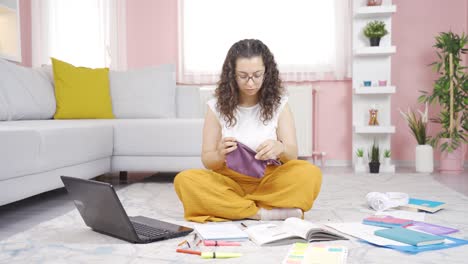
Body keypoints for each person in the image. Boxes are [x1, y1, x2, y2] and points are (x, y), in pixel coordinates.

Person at [174, 39, 322, 223]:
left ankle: (233, 208)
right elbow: (207, 160)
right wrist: (220, 154)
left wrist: (280, 148)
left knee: (309, 172)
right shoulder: (215, 107)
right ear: (231, 75)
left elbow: (292, 154)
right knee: (185, 180)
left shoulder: (279, 105)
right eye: (243, 76)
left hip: (269, 179)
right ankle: (260, 213)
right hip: (230, 182)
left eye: (257, 75)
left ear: (267, 73)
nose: (250, 83)